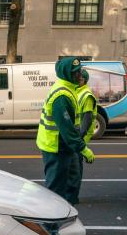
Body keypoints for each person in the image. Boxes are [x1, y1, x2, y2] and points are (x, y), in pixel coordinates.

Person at [36, 57, 95, 205]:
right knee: (56, 191)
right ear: (67, 74)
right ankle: (51, 226)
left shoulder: (69, 88)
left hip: (63, 146)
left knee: (68, 184)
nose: (80, 75)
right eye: (76, 72)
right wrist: (83, 149)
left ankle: (65, 216)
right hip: (56, 148)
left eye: (79, 71)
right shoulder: (62, 96)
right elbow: (67, 129)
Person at [72, 69, 99, 203]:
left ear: (85, 81)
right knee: (73, 166)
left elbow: (87, 119)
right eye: (77, 77)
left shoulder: (87, 95)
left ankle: (73, 197)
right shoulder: (77, 91)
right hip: (76, 135)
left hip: (80, 136)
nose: (78, 79)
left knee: (76, 167)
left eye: (81, 79)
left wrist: (78, 138)